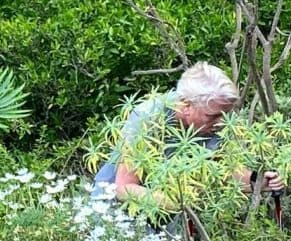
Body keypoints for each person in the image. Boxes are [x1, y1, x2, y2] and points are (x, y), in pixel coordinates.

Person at [96, 63, 281, 203]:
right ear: (186, 106)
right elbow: (124, 187)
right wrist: (178, 203)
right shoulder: (148, 117)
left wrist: (257, 181)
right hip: (113, 213)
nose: (223, 122)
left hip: (170, 221)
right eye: (214, 115)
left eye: (227, 114)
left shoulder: (217, 121)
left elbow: (220, 173)